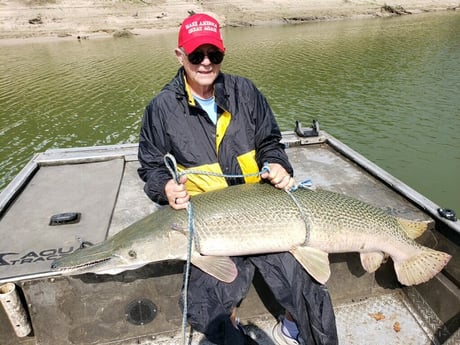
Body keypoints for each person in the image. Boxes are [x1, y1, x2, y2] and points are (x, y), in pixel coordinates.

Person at [138, 13, 338, 345]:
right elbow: (151, 166)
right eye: (196, 55)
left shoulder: (245, 91)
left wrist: (276, 163)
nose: (205, 63)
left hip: (264, 210)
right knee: (204, 306)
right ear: (179, 56)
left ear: (223, 54)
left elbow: (270, 141)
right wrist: (166, 187)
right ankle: (234, 325)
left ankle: (292, 323)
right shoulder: (160, 109)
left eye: (213, 55)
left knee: (307, 288)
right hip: (208, 221)